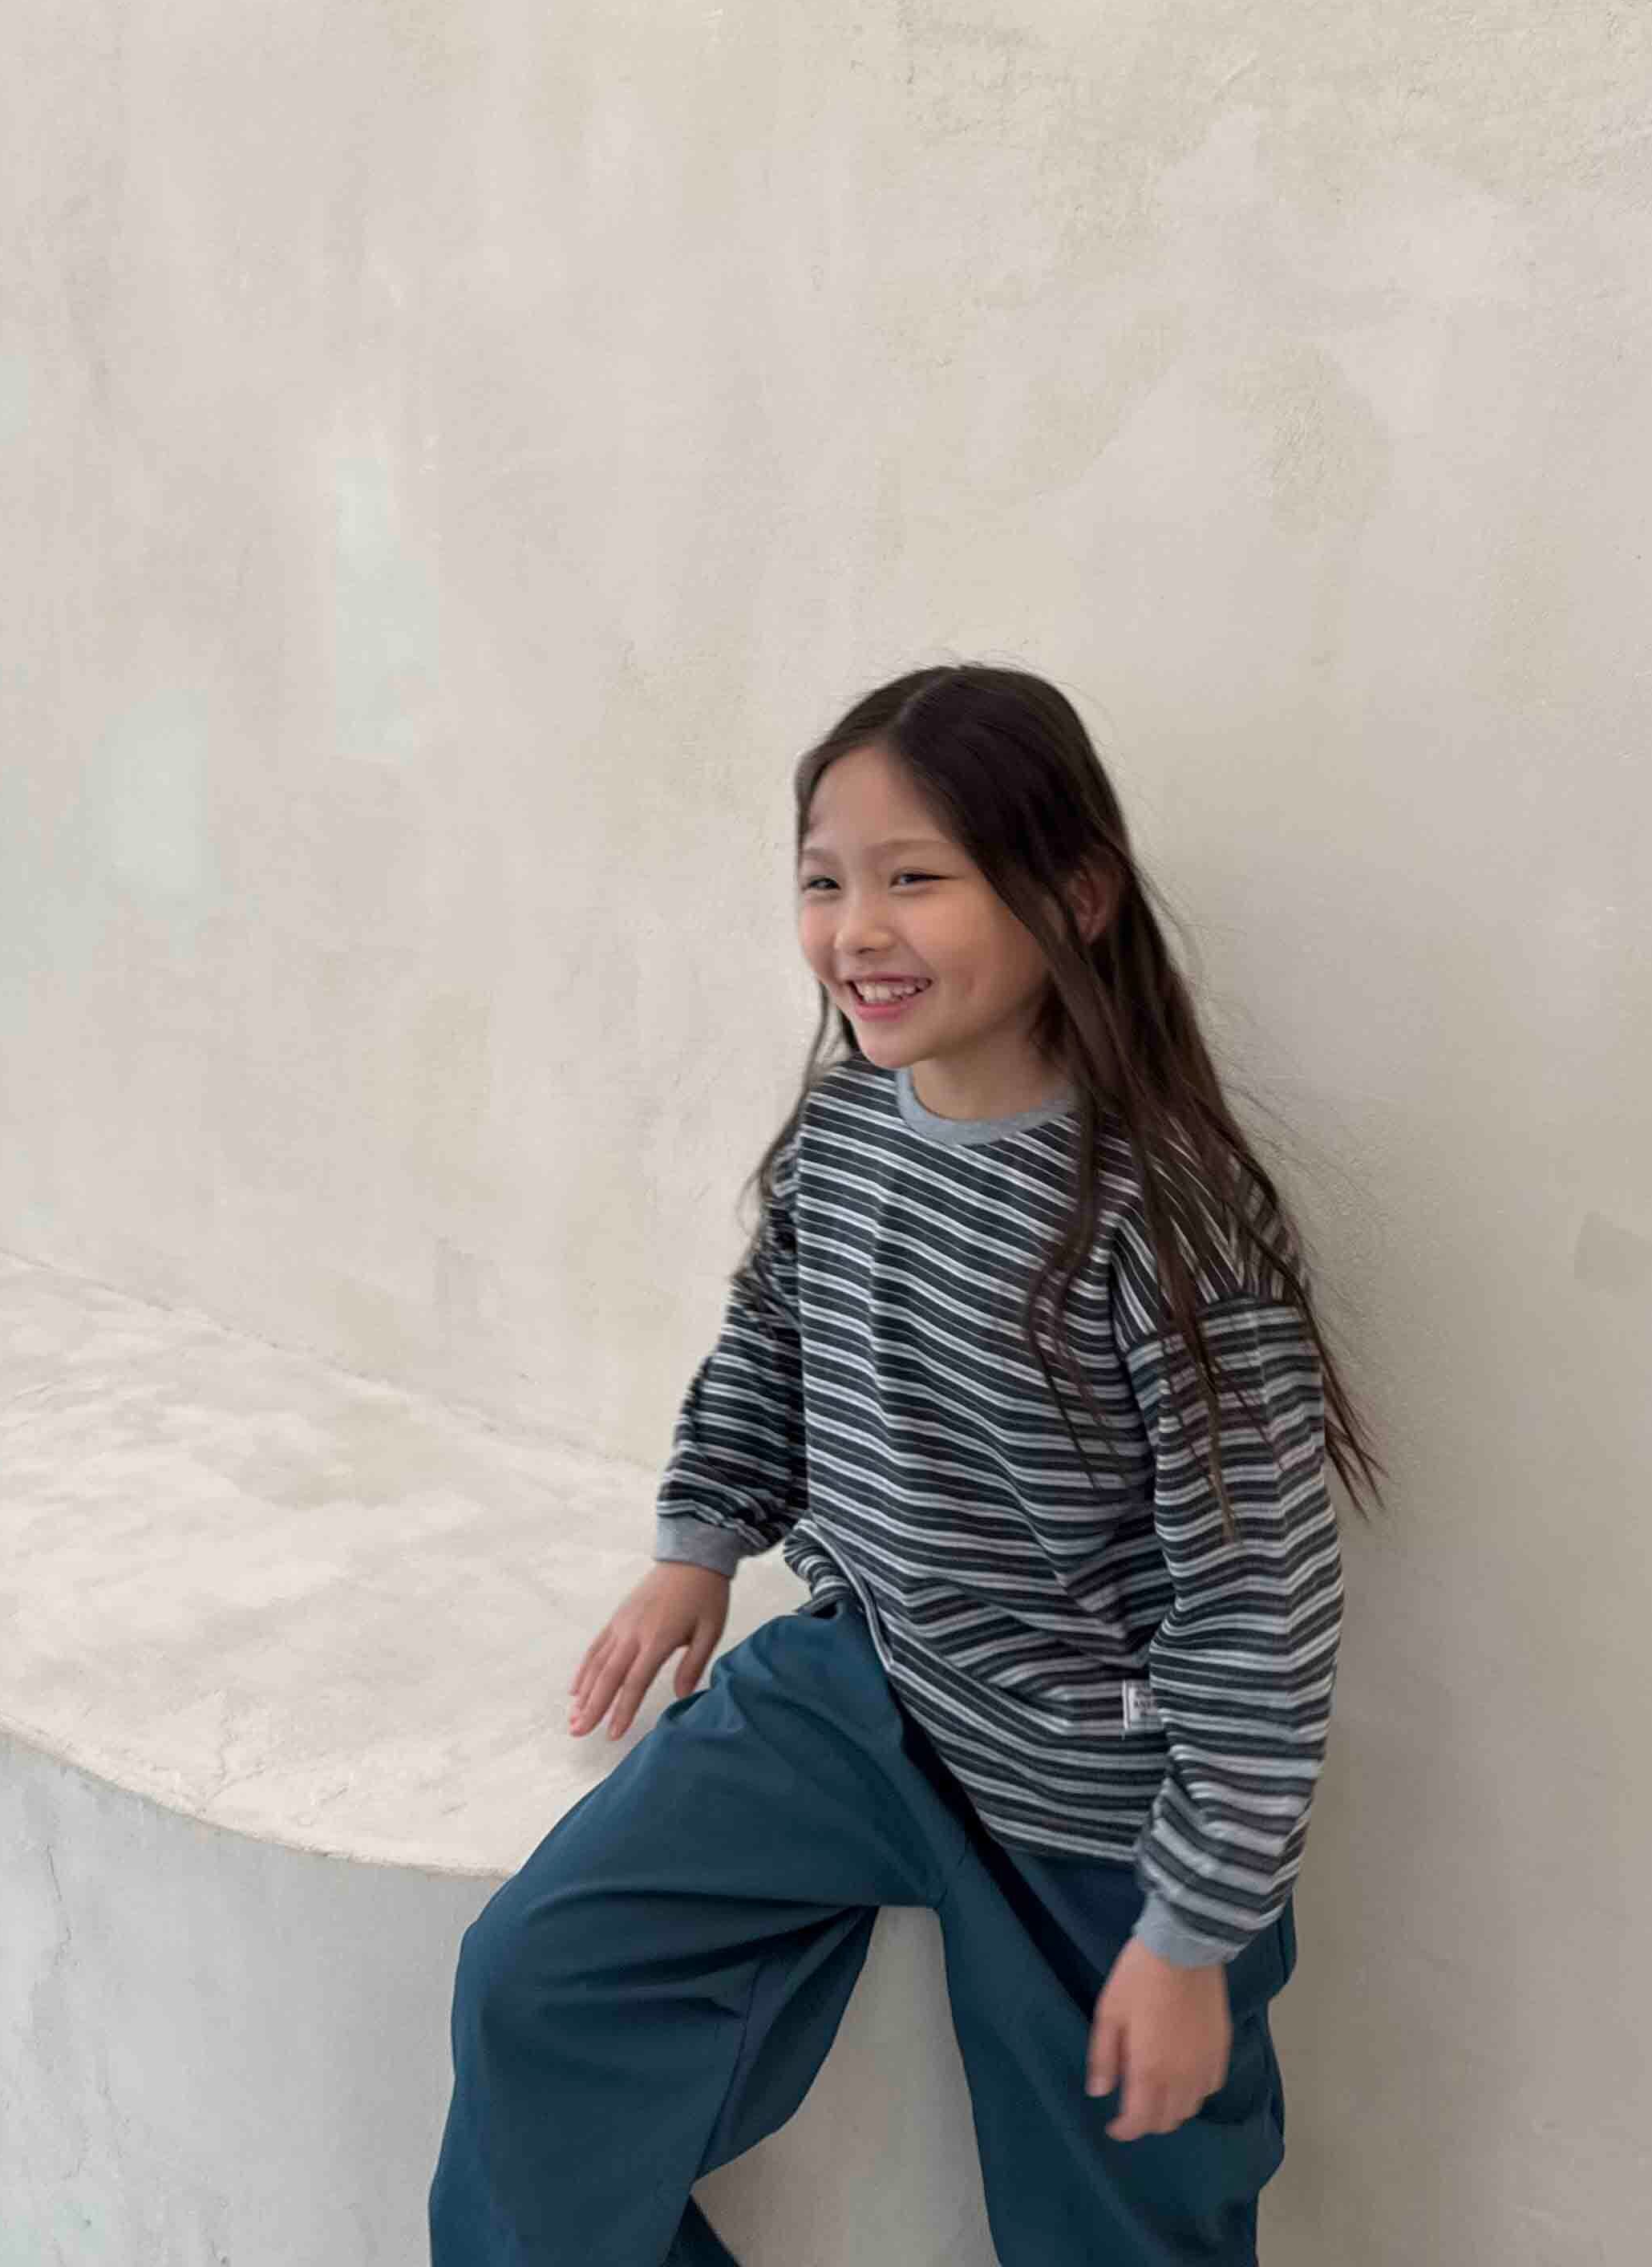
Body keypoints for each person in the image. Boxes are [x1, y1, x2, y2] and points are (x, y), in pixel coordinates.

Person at [429, 662, 1386, 2267]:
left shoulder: (1170, 1226)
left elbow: (1257, 1610)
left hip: (1093, 1794)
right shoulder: (846, 1133)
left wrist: (1191, 1932)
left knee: (1122, 2226)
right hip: (862, 1689)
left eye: (915, 879)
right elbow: (773, 1345)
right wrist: (697, 1546)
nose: (855, 930)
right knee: (538, 1984)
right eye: (824, 882)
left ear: (1075, 897)